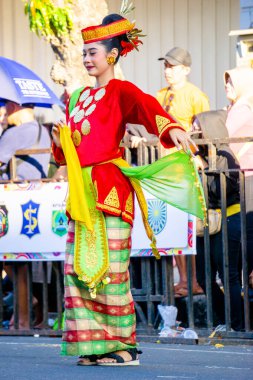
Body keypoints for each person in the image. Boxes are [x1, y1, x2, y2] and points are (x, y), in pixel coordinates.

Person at [52, 13, 205, 366]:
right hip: (80, 193)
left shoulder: (121, 91)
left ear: (112, 55)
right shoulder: (77, 98)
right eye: (84, 52)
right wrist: (60, 135)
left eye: (93, 52)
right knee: (78, 270)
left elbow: (149, 109)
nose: (87, 58)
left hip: (109, 191)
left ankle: (123, 347)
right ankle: (94, 346)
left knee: (111, 271)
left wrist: (173, 130)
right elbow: (68, 151)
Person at [157, 47, 210, 297]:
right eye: (166, 66)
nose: (168, 71)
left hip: (185, 167)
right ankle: (182, 281)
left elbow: (204, 131)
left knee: (187, 225)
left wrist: (196, 156)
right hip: (164, 168)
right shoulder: (159, 95)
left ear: (186, 69)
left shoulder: (196, 96)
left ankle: (192, 281)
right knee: (171, 226)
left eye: (173, 66)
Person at [0, 101, 51, 329]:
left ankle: (23, 314)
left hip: (12, 202)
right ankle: (24, 317)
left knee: (12, 260)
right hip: (36, 203)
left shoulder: (15, 133)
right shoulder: (43, 131)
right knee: (21, 263)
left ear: (14, 105)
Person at [193, 110, 243, 331]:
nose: (194, 131)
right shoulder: (198, 155)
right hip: (207, 223)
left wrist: (203, 168)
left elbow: (219, 192)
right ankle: (224, 320)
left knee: (228, 274)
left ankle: (238, 324)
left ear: (210, 129)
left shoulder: (225, 155)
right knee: (204, 277)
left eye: (198, 127)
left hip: (228, 220)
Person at [224, 67, 253, 288]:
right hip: (245, 174)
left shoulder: (241, 109)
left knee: (248, 229)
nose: (227, 86)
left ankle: (248, 276)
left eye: (231, 83)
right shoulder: (240, 107)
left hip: (248, 175)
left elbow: (222, 135)